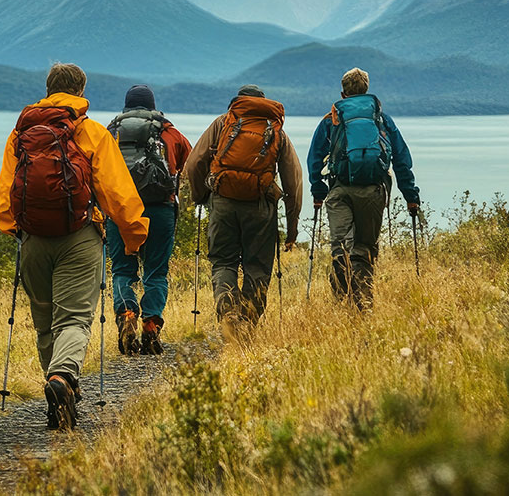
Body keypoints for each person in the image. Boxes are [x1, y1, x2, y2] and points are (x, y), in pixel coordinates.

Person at [0, 63, 149, 431]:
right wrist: (133, 237)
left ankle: (60, 388)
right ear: (81, 91)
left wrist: (15, 229)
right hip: (80, 236)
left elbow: (6, 192)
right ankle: (62, 377)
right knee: (75, 318)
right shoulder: (91, 132)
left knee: (45, 322)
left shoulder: (21, 133)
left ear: (48, 89)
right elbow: (116, 192)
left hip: (33, 239)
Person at [183, 84, 302, 339]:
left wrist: (201, 195)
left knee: (223, 262)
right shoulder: (275, 130)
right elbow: (294, 181)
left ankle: (228, 313)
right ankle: (247, 322)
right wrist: (292, 228)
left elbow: (194, 163)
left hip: (223, 202)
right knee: (257, 267)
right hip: (260, 206)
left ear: (237, 101)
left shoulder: (223, 123)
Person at [306, 67, 420, 310]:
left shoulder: (331, 120)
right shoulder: (382, 120)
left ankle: (341, 303)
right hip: (373, 191)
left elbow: (315, 158)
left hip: (339, 190)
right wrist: (411, 195)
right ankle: (363, 305)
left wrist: (318, 191)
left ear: (343, 93)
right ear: (367, 90)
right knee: (364, 248)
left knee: (340, 247)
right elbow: (401, 159)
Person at [104, 85, 192, 356]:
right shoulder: (169, 132)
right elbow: (188, 166)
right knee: (156, 272)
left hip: (121, 211)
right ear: (152, 106)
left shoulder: (111, 133)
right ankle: (151, 323)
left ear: (126, 106)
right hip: (160, 210)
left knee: (122, 270)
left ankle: (127, 312)